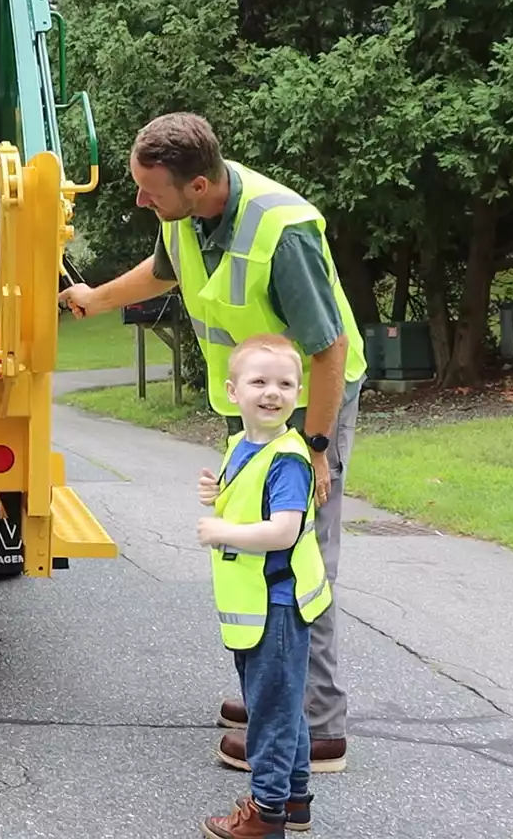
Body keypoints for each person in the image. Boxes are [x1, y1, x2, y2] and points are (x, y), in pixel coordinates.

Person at [60, 112, 364, 772]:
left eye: (150, 189)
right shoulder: (185, 217)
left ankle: (317, 728)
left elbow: (330, 349)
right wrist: (97, 297)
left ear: (197, 184)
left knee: (297, 559)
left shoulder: (281, 233)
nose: (140, 199)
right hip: (251, 410)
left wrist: (314, 447)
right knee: (252, 558)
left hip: (308, 406)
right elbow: (163, 272)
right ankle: (274, 696)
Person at [196, 333, 332, 837]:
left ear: (298, 393)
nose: (272, 393)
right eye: (260, 382)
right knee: (281, 703)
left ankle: (266, 813)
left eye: (286, 384)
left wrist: (222, 530)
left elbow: (284, 529)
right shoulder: (244, 444)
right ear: (233, 392)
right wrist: (217, 492)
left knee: (270, 714)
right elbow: (244, 495)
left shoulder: (289, 458)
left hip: (277, 602)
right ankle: (294, 801)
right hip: (255, 603)